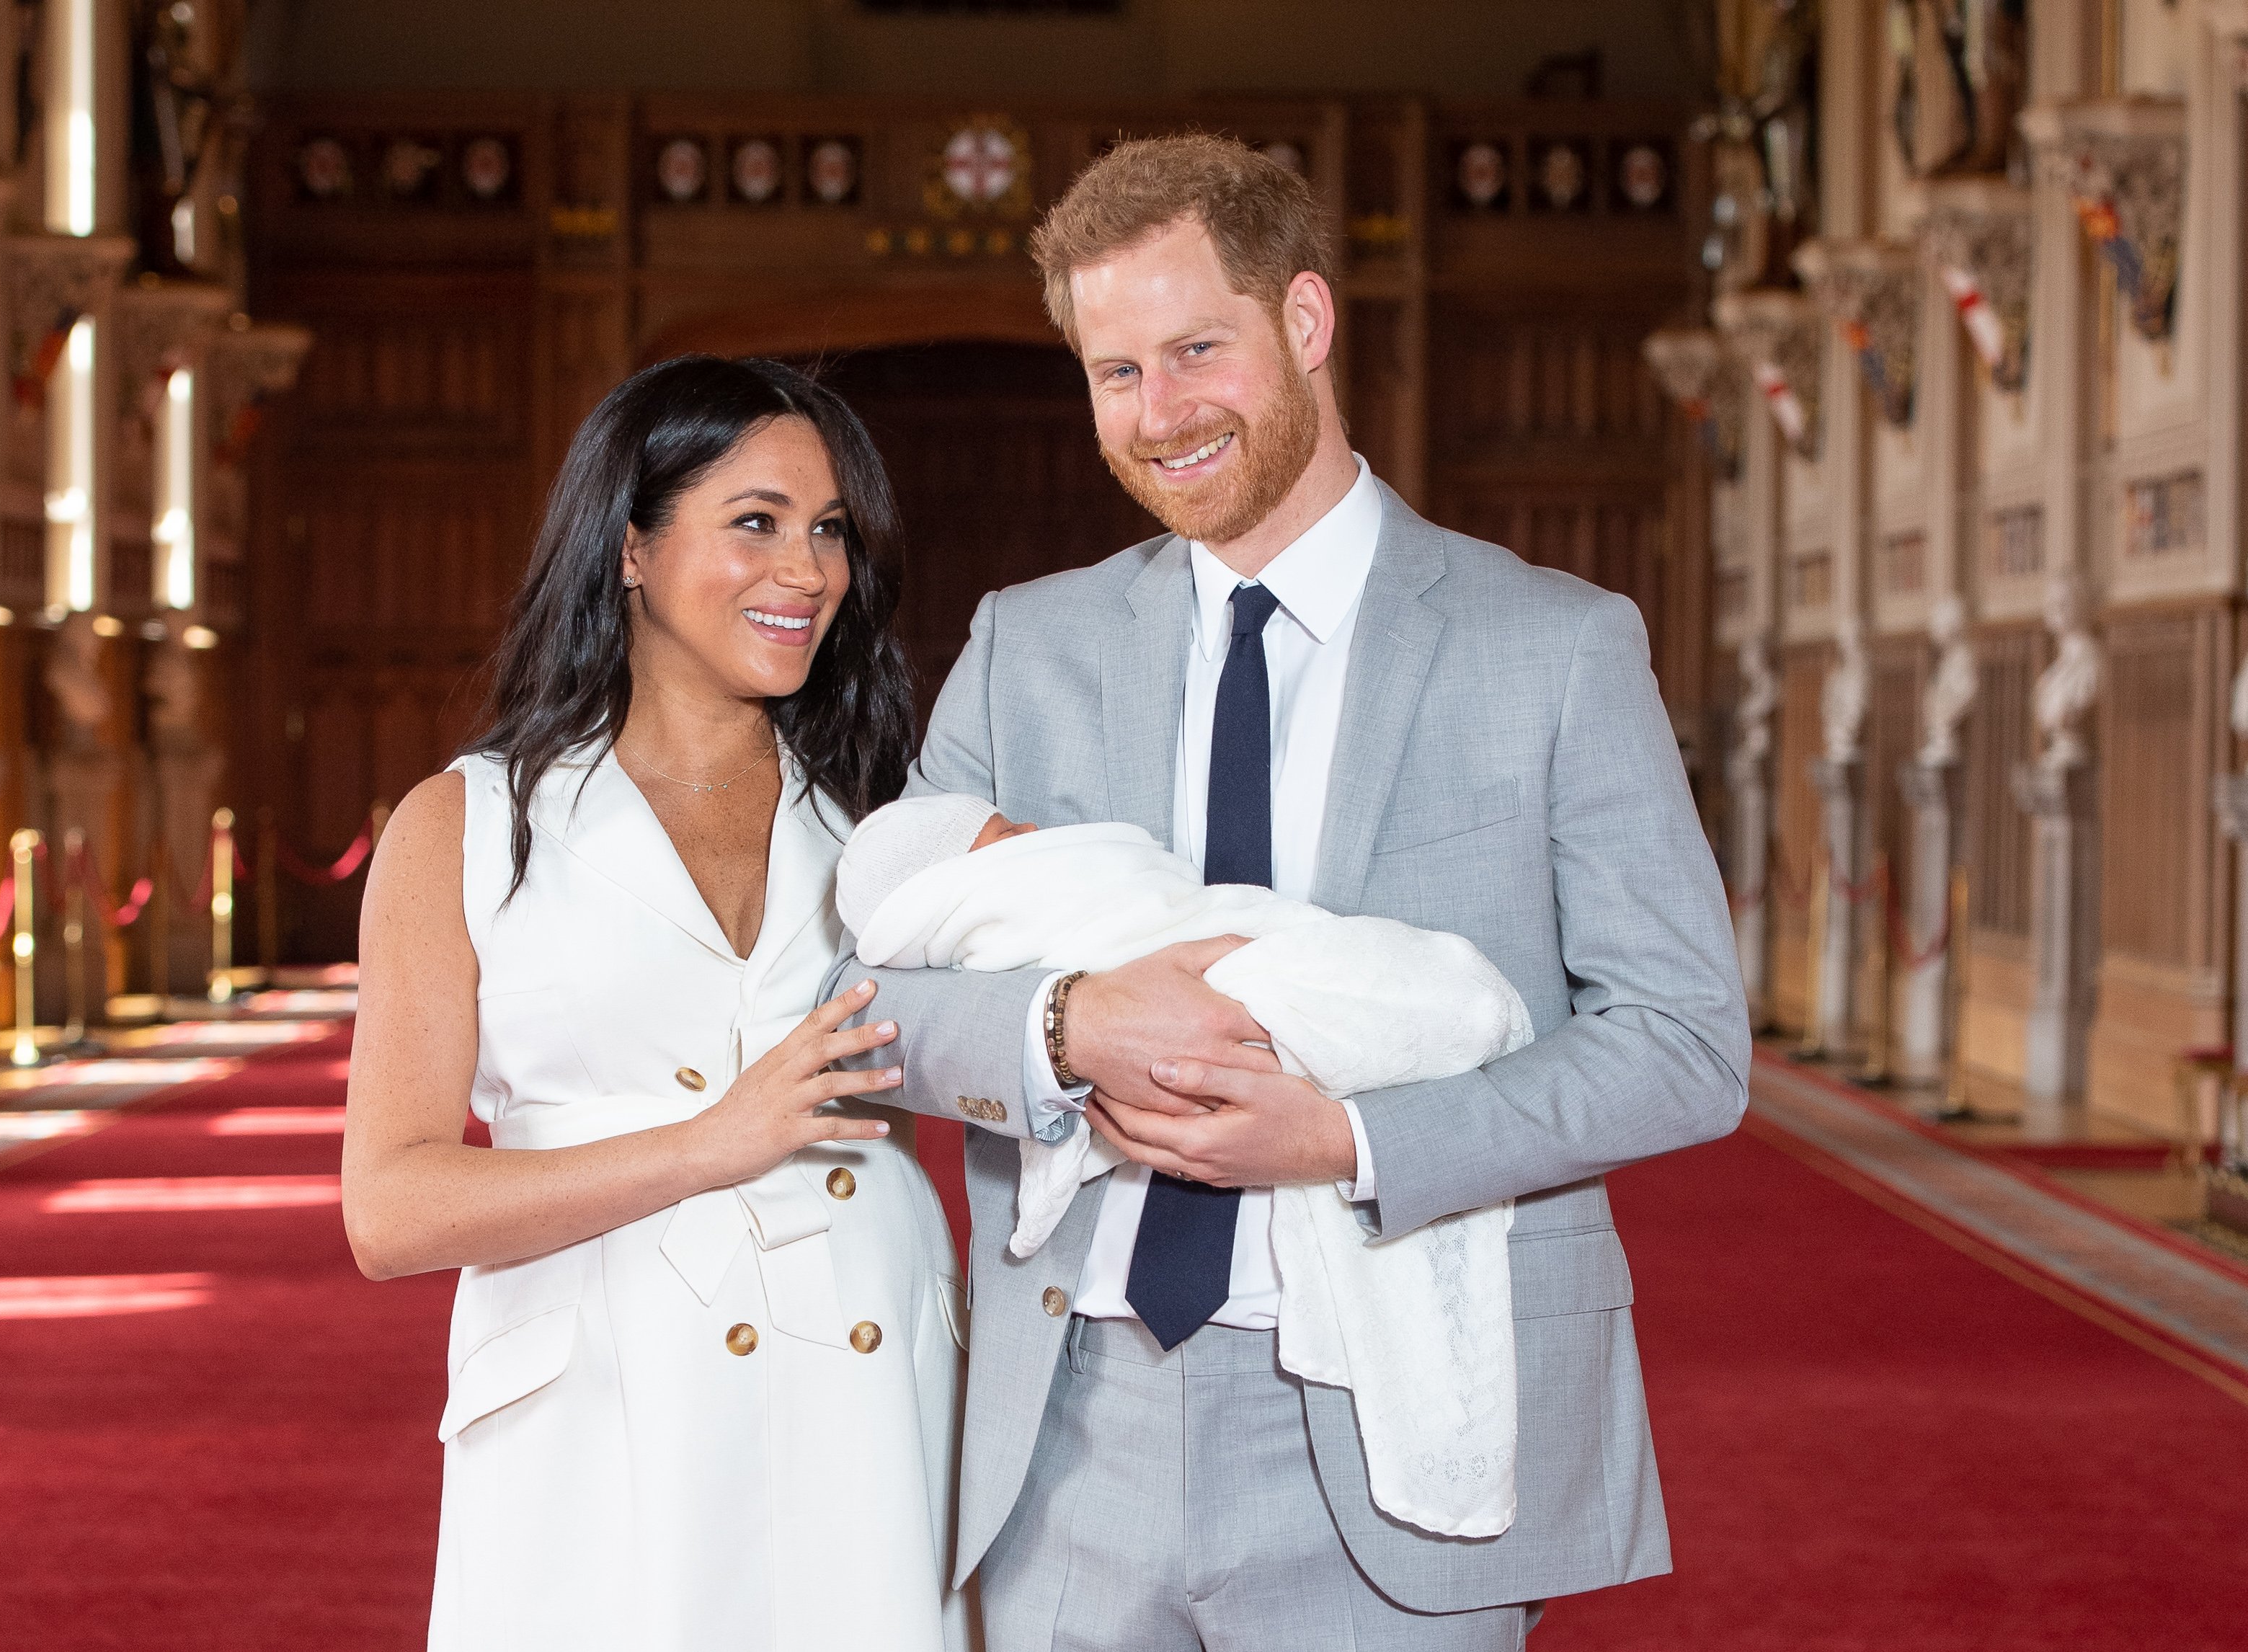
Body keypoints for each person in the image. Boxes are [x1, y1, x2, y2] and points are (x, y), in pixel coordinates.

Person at [829, 134, 1749, 1650]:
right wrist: (1067, 1027)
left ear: (1306, 323)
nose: (1159, 411)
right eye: (1115, 371)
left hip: (1392, 1418)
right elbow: (877, 1002)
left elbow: (1685, 1042)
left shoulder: (1555, 647)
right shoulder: (1028, 647)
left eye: (1197, 350)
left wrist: (1349, 1137)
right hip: (1073, 1423)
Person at [344, 355, 970, 1652]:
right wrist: (705, 1144)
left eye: (829, 531)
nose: (805, 570)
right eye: (755, 522)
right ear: (630, 545)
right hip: (601, 1410)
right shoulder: (466, 824)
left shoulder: (883, 815)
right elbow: (391, 1208)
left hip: (865, 1380)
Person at [835, 790, 1535, 1542]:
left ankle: (1452, 1004)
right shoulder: (1003, 692)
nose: (1035, 832)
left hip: (1327, 1385)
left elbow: (1672, 1028)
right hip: (1073, 1389)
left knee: (1388, 992)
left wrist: (1347, 1140)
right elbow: (855, 1004)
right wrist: (1068, 1027)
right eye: (1007, 835)